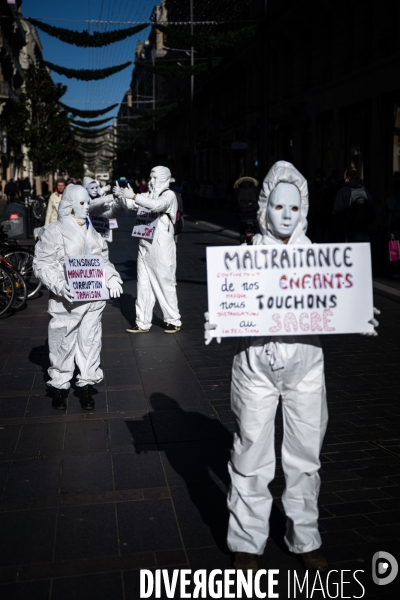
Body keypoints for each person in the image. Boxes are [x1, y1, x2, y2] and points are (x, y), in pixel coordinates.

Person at [205, 161, 379, 575]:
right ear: (266, 208)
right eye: (279, 207)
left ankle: (305, 537)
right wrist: (219, 322)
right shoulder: (247, 259)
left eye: (294, 208)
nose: (286, 215)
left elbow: (333, 304)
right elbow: (237, 311)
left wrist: (358, 313)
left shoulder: (321, 261)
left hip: (305, 370)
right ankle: (247, 541)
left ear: (303, 211)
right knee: (250, 455)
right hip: (255, 369)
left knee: (305, 458)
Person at [33, 184, 123, 411]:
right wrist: (59, 284)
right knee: (63, 342)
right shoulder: (55, 231)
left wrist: (111, 277)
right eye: (80, 203)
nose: (85, 208)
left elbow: (102, 257)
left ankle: (86, 384)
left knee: (90, 342)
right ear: (70, 205)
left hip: (94, 299)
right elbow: (42, 264)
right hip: (67, 300)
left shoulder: (92, 229)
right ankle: (60, 387)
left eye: (86, 203)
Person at [113, 166, 181, 334]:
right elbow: (130, 204)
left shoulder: (169, 195)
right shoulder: (148, 195)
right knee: (143, 285)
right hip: (144, 245)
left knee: (165, 281)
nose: (151, 181)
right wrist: (120, 196)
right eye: (150, 178)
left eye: (155, 178)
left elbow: (157, 206)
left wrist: (135, 196)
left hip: (161, 246)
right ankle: (142, 321)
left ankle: (173, 319)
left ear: (164, 178)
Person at [332, 167, 374, 242]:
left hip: (347, 233)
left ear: (348, 177)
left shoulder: (342, 191)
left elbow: (337, 212)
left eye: (344, 176)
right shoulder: (365, 190)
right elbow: (372, 211)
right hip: (363, 233)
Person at [230, 176, 260, 244]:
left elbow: (232, 203)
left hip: (242, 217)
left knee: (242, 233)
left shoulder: (237, 191)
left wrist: (233, 210)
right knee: (257, 233)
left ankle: (242, 243)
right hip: (254, 216)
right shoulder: (256, 190)